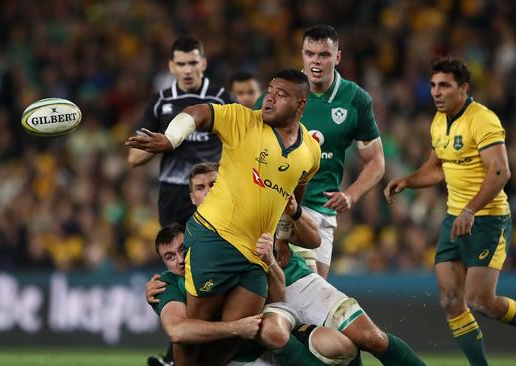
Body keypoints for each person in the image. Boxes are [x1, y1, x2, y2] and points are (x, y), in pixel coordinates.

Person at [127, 69, 322, 366]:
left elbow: (293, 197)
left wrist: (282, 239)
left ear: (300, 104)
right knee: (196, 332)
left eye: (280, 94)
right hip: (214, 238)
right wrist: (171, 138)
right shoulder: (242, 119)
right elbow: (198, 112)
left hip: (256, 253)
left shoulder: (310, 151)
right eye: (269, 90)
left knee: (239, 334)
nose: (269, 98)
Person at [384, 56, 516, 366]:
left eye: (444, 86)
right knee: (450, 300)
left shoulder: (482, 119)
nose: (436, 92)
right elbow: (436, 168)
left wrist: (470, 209)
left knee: (481, 301)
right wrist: (408, 180)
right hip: (454, 218)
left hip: (487, 219)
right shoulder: (439, 121)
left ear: (463, 88)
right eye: (433, 86)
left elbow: (501, 170)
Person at [149, 162, 357, 366]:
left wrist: (272, 256)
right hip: (243, 341)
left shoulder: (256, 220)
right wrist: (236, 327)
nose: (179, 259)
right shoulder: (173, 276)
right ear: (192, 198)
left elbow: (307, 249)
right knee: (264, 330)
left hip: (279, 308)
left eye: (213, 184)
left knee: (341, 346)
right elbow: (177, 332)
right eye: (200, 188)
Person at [255, 25, 385, 278]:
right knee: (298, 293)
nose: (316, 61)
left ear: (337, 57)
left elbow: (376, 161)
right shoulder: (279, 93)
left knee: (312, 302)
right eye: (310, 53)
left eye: (324, 55)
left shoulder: (355, 99)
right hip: (275, 205)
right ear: (302, 54)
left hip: (320, 213)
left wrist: (351, 195)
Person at [127, 35, 233, 228]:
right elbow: (134, 158)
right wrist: (164, 143)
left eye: (193, 63)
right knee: (175, 253)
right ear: (171, 66)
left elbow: (243, 141)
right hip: (174, 191)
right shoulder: (160, 102)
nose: (187, 70)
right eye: (181, 63)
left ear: (203, 63)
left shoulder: (222, 99)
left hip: (213, 189)